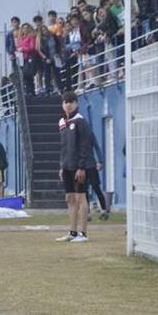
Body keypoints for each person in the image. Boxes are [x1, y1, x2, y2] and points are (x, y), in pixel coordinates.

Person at [55, 92, 91, 243]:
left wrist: (81, 166)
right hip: (67, 165)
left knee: (80, 198)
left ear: (76, 103)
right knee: (69, 198)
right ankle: (72, 232)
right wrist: (62, 166)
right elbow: (63, 147)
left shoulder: (80, 121)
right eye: (65, 102)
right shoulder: (62, 122)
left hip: (79, 167)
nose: (68, 104)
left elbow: (85, 144)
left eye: (71, 102)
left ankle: (83, 233)